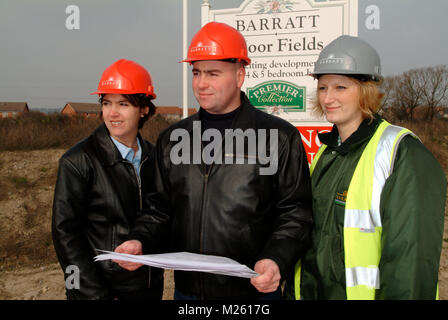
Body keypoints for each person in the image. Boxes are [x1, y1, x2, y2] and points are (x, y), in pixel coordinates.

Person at [114, 22, 313, 300]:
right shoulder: (172, 138)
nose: (201, 83)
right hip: (189, 294)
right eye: (196, 73)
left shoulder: (278, 137)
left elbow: (296, 214)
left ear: (240, 75)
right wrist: (140, 240)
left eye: (213, 73)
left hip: (253, 293)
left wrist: (276, 257)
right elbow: (158, 210)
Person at [287, 35, 447, 300]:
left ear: (366, 90)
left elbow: (410, 260)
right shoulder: (326, 152)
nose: (328, 98)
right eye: (323, 87)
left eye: (340, 87)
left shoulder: (402, 153)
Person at [52, 59, 164, 300]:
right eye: (106, 103)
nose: (112, 113)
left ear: (144, 109)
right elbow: (66, 236)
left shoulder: (155, 157)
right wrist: (93, 294)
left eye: (123, 104)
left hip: (147, 287)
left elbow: (160, 215)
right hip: (101, 291)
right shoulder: (78, 161)